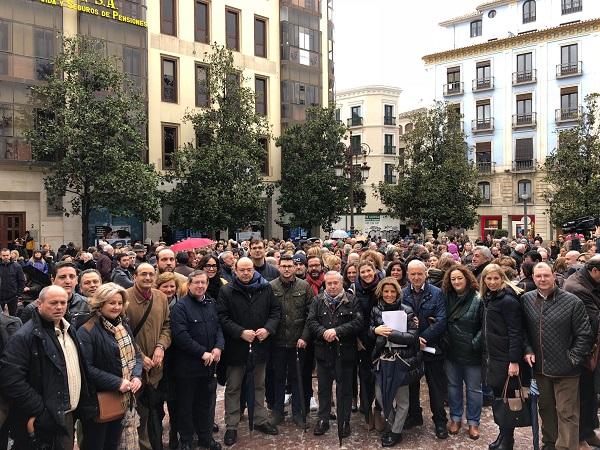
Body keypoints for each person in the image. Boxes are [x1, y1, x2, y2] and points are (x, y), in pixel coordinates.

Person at [0, 285, 97, 449]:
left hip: (66, 414)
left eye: (63, 302)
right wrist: (41, 411)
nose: (59, 307)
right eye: (53, 303)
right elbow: (11, 379)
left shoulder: (68, 329)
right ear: (39, 303)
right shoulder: (25, 336)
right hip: (44, 419)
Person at [523, 262, 593, 450]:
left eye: (546, 275)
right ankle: (550, 444)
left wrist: (573, 358)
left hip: (566, 369)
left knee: (567, 413)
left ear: (554, 275)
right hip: (541, 369)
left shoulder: (572, 301)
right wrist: (528, 349)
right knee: (545, 410)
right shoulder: (527, 299)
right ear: (533, 278)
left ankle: (566, 447)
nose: (543, 279)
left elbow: (584, 334)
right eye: (538, 276)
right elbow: (523, 332)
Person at [216, 257, 281, 446]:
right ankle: (232, 425)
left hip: (260, 346)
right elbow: (222, 316)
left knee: (259, 385)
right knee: (234, 387)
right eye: (242, 270)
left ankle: (260, 419)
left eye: (249, 269)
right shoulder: (227, 290)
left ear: (254, 269)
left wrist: (268, 329)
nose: (246, 273)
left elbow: (275, 312)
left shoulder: (265, 288)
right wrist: (240, 332)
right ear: (235, 270)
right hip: (236, 347)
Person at [77, 283, 143, 450]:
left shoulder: (123, 325)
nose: (116, 307)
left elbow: (136, 354)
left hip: (124, 397)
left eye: (120, 303)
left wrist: (136, 376)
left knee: (113, 443)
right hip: (99, 401)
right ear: (100, 304)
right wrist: (117, 382)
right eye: (111, 303)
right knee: (96, 444)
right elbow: (86, 368)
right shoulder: (87, 330)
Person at [170, 271, 223, 450]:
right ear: (189, 284)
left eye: (203, 283)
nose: (200, 286)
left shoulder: (211, 303)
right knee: (186, 405)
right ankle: (185, 439)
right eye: (197, 283)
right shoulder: (180, 307)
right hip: (188, 367)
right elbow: (180, 336)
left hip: (209, 368)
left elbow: (219, 329)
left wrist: (218, 347)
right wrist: (202, 353)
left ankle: (205, 437)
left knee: (206, 405)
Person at [306, 271, 363, 438]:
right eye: (328, 283)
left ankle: (344, 420)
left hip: (345, 353)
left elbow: (358, 322)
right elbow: (311, 321)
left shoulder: (352, 300)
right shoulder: (317, 301)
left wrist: (337, 331)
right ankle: (323, 419)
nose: (332, 286)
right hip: (323, 352)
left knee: (344, 389)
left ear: (341, 283)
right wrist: (324, 332)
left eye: (335, 283)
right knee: (323, 389)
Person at [369, 277, 421, 447]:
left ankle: (396, 432)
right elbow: (369, 332)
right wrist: (374, 330)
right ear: (381, 293)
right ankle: (392, 424)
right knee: (381, 396)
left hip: (401, 359)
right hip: (382, 359)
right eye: (386, 291)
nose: (389, 295)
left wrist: (390, 333)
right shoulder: (376, 310)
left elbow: (413, 336)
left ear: (398, 292)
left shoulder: (407, 310)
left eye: (392, 291)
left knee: (402, 399)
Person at [125, 263, 171, 450]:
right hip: (134, 368)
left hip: (156, 366)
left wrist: (161, 346)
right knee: (136, 413)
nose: (147, 278)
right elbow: (123, 333)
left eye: (151, 274)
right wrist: (140, 356)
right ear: (135, 276)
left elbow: (167, 325)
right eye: (143, 274)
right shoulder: (124, 298)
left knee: (153, 409)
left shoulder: (161, 297)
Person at [480, 263, 524, 450]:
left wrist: (514, 361)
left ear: (502, 279)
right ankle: (502, 436)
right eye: (488, 279)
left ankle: (507, 440)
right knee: (499, 398)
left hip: (505, 358)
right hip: (494, 355)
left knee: (506, 399)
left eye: (495, 278)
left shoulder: (508, 300)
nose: (492, 282)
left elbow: (516, 332)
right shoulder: (490, 298)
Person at [402, 259, 447, 439]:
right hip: (411, 348)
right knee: (411, 385)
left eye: (419, 273)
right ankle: (414, 416)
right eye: (413, 274)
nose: (416, 277)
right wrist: (414, 340)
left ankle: (440, 421)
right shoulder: (402, 293)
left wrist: (424, 337)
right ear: (408, 275)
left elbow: (442, 319)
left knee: (435, 387)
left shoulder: (437, 293)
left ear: (426, 274)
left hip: (432, 347)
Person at [269, 254, 313, 429]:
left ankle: (298, 413)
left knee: (297, 378)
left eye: (290, 266)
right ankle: (278, 412)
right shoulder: (271, 287)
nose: (287, 269)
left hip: (298, 341)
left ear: (295, 267)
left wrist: (304, 337)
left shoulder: (304, 286)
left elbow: (311, 315)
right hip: (278, 341)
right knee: (278, 377)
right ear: (279, 267)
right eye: (284, 266)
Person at [442, 265, 482, 440]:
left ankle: (473, 422)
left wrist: (474, 344)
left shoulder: (478, 298)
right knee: (453, 387)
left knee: (474, 389)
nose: (457, 281)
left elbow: (485, 326)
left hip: (472, 352)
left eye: (460, 278)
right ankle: (455, 418)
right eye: (453, 279)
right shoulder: (445, 298)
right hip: (451, 350)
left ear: (467, 278)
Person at [563, 255, 600, 448]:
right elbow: (593, 320)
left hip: (590, 347)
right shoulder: (576, 287)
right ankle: (578, 438)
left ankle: (588, 431)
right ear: (594, 271)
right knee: (581, 395)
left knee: (590, 394)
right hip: (580, 348)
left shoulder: (590, 280)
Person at [354, 260, 384, 429]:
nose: (366, 274)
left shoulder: (382, 286)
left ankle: (379, 410)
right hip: (364, 340)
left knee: (381, 377)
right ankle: (367, 413)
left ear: (374, 270)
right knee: (365, 378)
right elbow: (354, 316)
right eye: (363, 272)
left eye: (368, 271)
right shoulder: (355, 289)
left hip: (381, 338)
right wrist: (357, 338)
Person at [0, 248, 25, 315]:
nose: (6, 257)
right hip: (1, 296)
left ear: (10, 255)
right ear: (0, 256)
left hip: (13, 296)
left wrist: (18, 294)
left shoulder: (17, 266)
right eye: (4, 255)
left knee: (13, 315)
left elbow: (22, 281)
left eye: (7, 255)